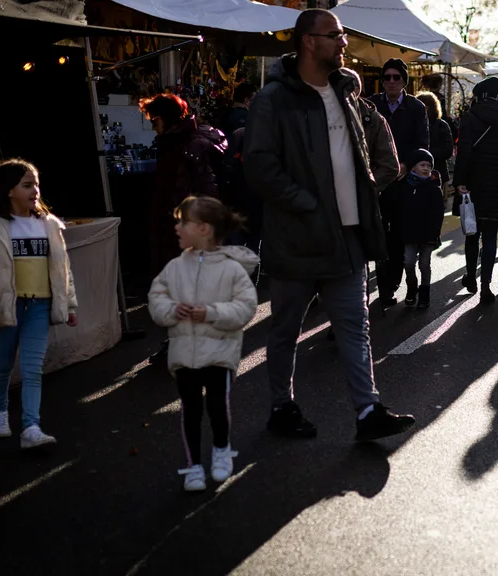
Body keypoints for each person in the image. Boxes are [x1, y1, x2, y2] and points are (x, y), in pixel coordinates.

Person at [243, 9, 415, 440]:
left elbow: (367, 159)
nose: (344, 43)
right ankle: (282, 407)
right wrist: (307, 204)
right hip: (297, 240)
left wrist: (362, 197)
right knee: (285, 331)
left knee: (356, 328)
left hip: (347, 239)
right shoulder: (274, 100)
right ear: (308, 41)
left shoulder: (346, 97)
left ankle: (367, 411)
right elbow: (260, 166)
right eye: (336, 35)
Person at [0, 159, 77, 449]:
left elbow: (63, 269)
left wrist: (70, 304)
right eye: (27, 185)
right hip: (7, 306)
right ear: (9, 190)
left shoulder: (48, 225)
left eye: (36, 184)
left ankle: (31, 427)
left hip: (39, 306)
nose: (35, 190)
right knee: (2, 366)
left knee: (32, 368)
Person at [149, 196, 259, 491]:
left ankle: (222, 450)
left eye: (183, 222)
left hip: (220, 351)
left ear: (204, 229)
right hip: (184, 353)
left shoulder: (232, 269)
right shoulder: (174, 267)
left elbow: (246, 307)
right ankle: (193, 466)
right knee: (190, 409)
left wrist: (210, 313)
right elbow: (156, 298)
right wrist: (172, 310)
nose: (177, 227)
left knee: (216, 405)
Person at [141, 93, 229, 276]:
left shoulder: (186, 144)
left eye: (154, 120)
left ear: (165, 117)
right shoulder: (176, 142)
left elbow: (203, 184)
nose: (153, 127)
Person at [369, 58, 430, 307]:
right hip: (375, 180)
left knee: (397, 235)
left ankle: (389, 285)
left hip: (402, 181)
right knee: (375, 232)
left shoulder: (416, 107)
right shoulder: (371, 104)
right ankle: (381, 284)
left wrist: (405, 165)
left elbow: (423, 143)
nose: (391, 81)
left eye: (396, 77)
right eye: (387, 77)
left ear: (404, 80)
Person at [454, 76, 498, 304]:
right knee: (490, 236)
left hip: (473, 184)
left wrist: (460, 180)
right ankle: (485, 288)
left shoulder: (470, 118)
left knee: (472, 233)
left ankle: (471, 277)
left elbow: (464, 151)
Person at [394, 149, 445, 308]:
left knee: (424, 264)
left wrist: (435, 233)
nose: (426, 168)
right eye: (422, 164)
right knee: (409, 262)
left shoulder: (434, 187)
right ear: (413, 167)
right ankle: (411, 287)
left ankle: (424, 294)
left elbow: (438, 213)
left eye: (429, 166)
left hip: (428, 235)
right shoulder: (405, 186)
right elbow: (399, 210)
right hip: (409, 233)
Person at [416, 91, 454, 184]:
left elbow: (448, 149)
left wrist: (427, 155)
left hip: (436, 171)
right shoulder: (413, 124)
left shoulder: (441, 125)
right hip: (416, 172)